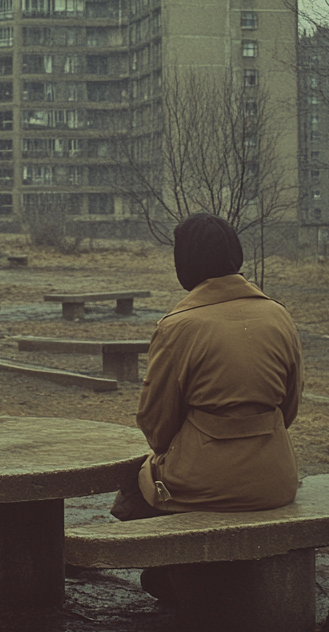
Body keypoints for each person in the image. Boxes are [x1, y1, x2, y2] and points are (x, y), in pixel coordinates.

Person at [113, 212, 302, 524]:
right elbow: (289, 410)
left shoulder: (177, 327)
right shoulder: (279, 315)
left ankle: (167, 572)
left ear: (184, 264)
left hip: (203, 484)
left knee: (135, 491)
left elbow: (156, 427)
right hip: (275, 481)